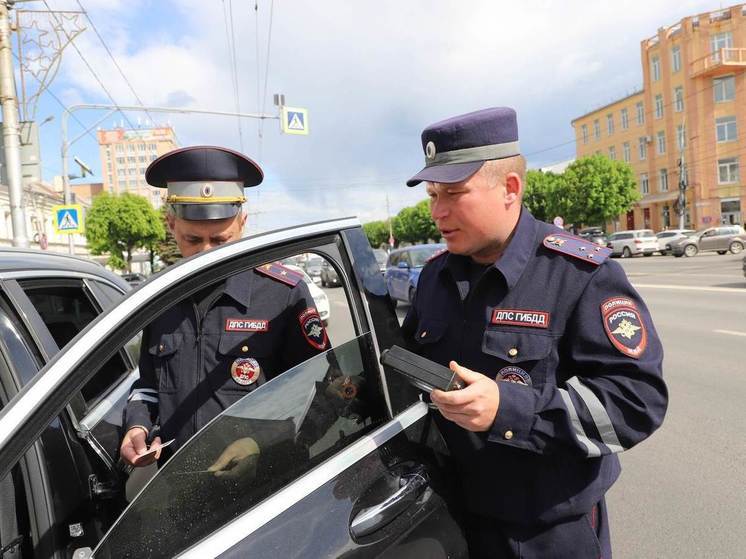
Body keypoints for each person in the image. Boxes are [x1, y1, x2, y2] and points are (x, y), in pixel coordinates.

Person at [402, 107, 667, 558]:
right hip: (451, 520)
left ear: (510, 188)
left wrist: (510, 409)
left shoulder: (579, 273)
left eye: (453, 193)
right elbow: (411, 371)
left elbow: (636, 402)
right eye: (432, 195)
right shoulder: (435, 277)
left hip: (546, 533)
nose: (437, 211)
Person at [119, 145, 330, 473]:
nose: (206, 254)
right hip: (178, 484)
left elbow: (325, 391)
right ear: (171, 224)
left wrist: (261, 442)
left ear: (243, 222)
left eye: (219, 241)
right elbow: (147, 384)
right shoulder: (159, 299)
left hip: (266, 484)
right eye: (192, 240)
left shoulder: (283, 294)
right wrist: (137, 427)